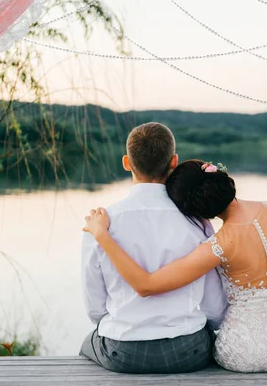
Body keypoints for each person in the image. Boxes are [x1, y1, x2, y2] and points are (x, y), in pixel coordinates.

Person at [83, 159, 267, 373]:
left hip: (247, 353)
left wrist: (102, 236)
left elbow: (146, 285)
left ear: (194, 211)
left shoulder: (219, 245)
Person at [80, 124, 227, 374]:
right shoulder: (197, 223)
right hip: (187, 350)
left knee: (87, 345)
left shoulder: (100, 224)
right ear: (173, 162)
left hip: (122, 351)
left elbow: (95, 310)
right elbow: (214, 308)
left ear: (126, 163)